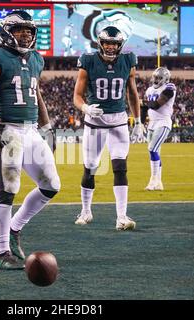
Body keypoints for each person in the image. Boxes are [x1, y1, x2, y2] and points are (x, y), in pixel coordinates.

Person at [0, 11, 60, 270]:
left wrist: (48, 127)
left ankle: (15, 226)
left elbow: (37, 94)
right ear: (8, 31)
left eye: (30, 31)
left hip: (31, 130)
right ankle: (2, 252)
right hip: (8, 131)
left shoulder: (35, 59)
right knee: (8, 190)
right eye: (21, 30)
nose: (27, 35)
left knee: (51, 185)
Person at [73, 26, 144, 230]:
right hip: (95, 121)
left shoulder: (128, 60)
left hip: (119, 120)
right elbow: (77, 96)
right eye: (107, 43)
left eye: (114, 43)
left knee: (120, 167)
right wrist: (85, 107)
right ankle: (86, 211)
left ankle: (121, 216)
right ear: (100, 43)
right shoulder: (88, 60)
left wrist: (138, 120)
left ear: (120, 45)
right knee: (91, 167)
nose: (111, 47)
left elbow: (132, 92)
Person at [142, 67, 177, 191]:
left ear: (165, 79)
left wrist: (144, 103)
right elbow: (144, 108)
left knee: (152, 149)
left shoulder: (169, 88)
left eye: (159, 78)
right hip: (152, 123)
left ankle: (153, 180)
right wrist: (140, 123)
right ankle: (159, 183)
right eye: (155, 77)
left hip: (163, 122)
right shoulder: (149, 90)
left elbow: (156, 105)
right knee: (154, 151)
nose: (156, 80)